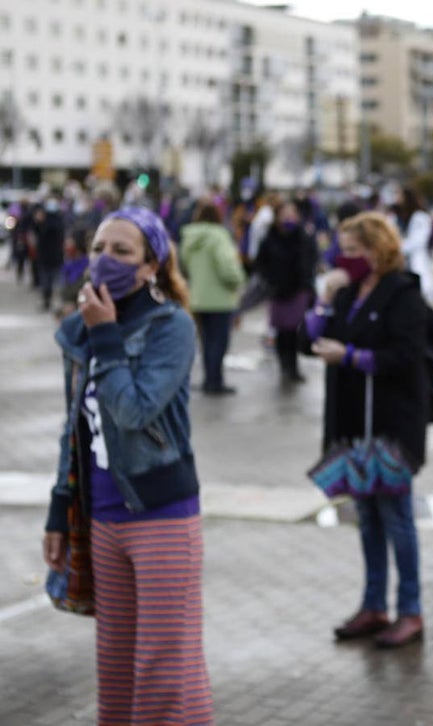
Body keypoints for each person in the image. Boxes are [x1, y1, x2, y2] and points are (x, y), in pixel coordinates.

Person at [43, 207, 213, 724]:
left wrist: (106, 336)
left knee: (164, 669)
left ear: (150, 267)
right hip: (102, 516)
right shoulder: (80, 329)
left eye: (122, 251)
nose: (105, 260)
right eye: (98, 248)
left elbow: (134, 409)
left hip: (160, 513)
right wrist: (58, 511)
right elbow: (76, 423)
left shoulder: (172, 327)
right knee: (115, 667)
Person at [305, 211, 429, 648]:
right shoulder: (348, 292)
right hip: (355, 424)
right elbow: (313, 337)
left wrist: (353, 357)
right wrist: (324, 298)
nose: (346, 258)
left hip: (392, 428)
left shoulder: (404, 293)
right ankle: (374, 605)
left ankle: (410, 610)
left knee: (397, 518)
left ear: (378, 250)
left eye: (354, 250)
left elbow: (409, 355)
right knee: (367, 518)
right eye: (343, 250)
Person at [181, 198, 247, 395]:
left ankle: (209, 379)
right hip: (220, 298)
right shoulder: (219, 236)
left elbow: (184, 265)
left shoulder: (189, 238)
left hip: (198, 297)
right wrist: (238, 279)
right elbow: (227, 266)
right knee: (219, 342)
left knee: (206, 341)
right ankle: (215, 382)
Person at [254, 200, 318, 385]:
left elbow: (310, 260)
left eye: (292, 213)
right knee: (281, 331)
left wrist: (308, 285)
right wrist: (269, 281)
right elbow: (261, 263)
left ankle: (293, 366)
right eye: (285, 213)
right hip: (277, 291)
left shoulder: (303, 236)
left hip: (297, 290)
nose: (288, 217)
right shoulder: (270, 237)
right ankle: (284, 366)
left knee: (294, 330)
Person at [385, 183, 433, 305]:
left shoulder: (420, 217)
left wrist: (395, 247)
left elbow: (417, 242)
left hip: (414, 263)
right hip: (398, 264)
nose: (395, 197)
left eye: (398, 194)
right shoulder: (394, 217)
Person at [34, 197, 67, 311]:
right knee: (53, 281)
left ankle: (48, 301)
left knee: (47, 281)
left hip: (46, 257)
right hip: (55, 257)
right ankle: (52, 302)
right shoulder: (59, 222)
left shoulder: (46, 224)